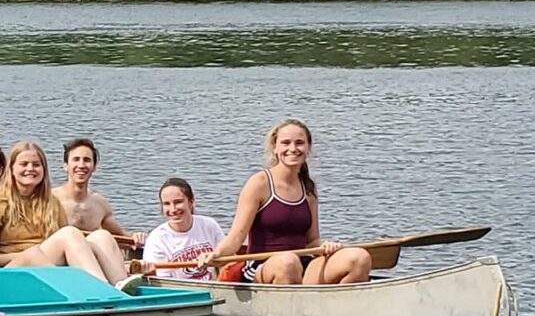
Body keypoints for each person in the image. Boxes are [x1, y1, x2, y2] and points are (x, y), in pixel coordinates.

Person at [205, 119, 371, 285]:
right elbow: (236, 238)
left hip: (302, 263)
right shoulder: (259, 183)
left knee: (359, 257)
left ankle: (331, 306)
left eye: (299, 143)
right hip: (262, 265)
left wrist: (325, 245)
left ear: (307, 148)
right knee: (288, 262)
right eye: (286, 143)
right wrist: (216, 254)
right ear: (275, 147)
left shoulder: (308, 188)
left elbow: (311, 241)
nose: (293, 149)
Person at [0, 141, 134, 287]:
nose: (30, 169)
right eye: (24, 164)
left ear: (44, 170)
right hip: (13, 269)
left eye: (36, 165)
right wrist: (27, 254)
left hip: (46, 264)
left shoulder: (50, 202)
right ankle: (100, 288)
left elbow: (64, 245)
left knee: (102, 236)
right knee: (68, 234)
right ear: (11, 168)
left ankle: (121, 286)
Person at [52, 138, 138, 247]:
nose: (81, 165)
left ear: (94, 167)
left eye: (87, 160)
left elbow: (121, 238)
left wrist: (135, 238)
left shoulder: (100, 204)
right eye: (76, 159)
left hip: (91, 256)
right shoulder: (51, 200)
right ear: (66, 166)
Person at [139, 178, 226, 280]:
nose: (173, 209)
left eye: (178, 202)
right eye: (167, 204)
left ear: (190, 202)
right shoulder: (156, 239)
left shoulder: (209, 225)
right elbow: (163, 283)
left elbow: (227, 261)